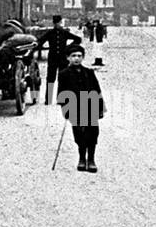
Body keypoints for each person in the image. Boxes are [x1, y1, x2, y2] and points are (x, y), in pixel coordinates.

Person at [56, 42, 106, 172]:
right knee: (79, 134)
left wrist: (100, 108)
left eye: (79, 56)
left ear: (83, 57)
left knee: (93, 134)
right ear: (68, 58)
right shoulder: (63, 74)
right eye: (73, 56)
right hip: (75, 108)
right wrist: (65, 110)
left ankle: (91, 160)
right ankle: (82, 159)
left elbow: (97, 90)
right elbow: (61, 94)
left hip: (91, 107)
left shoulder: (89, 72)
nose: (76, 58)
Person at [37, 15, 82, 105]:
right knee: (50, 79)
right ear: (54, 23)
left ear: (60, 22)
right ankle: (48, 99)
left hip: (62, 59)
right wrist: (38, 47)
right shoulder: (50, 33)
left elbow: (78, 39)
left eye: (59, 23)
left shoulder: (64, 32)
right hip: (52, 59)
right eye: (56, 23)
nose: (58, 24)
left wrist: (68, 48)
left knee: (62, 79)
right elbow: (40, 41)